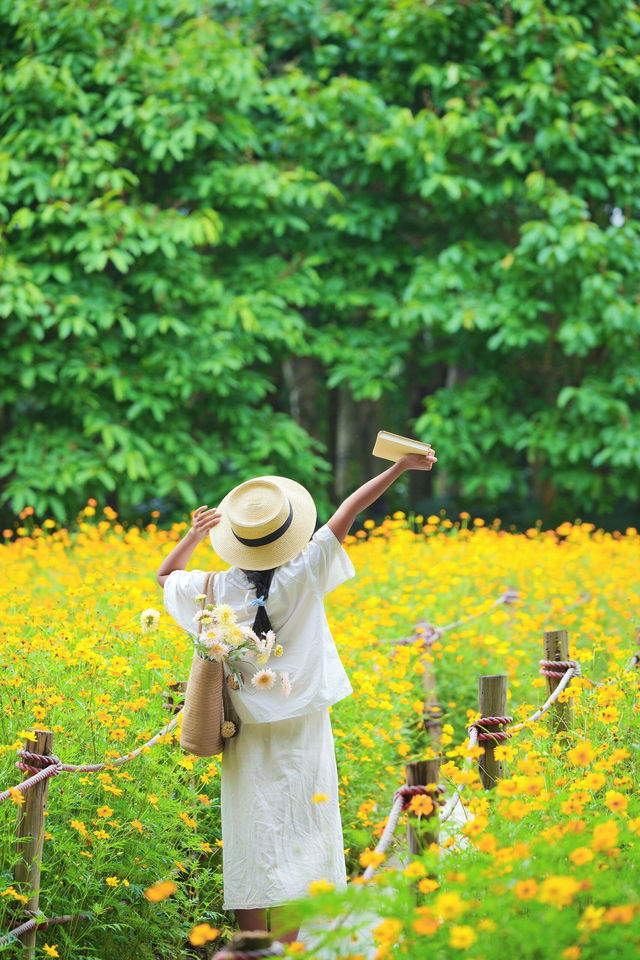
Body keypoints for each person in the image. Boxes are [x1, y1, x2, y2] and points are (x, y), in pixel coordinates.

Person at [156, 451, 437, 942]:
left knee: (251, 829)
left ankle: (252, 948)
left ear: (236, 542)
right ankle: (286, 948)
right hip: (304, 725)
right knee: (303, 828)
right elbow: (345, 514)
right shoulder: (304, 572)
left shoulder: (216, 588)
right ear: (286, 534)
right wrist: (398, 469)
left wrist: (193, 536)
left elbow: (164, 577)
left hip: (240, 728)